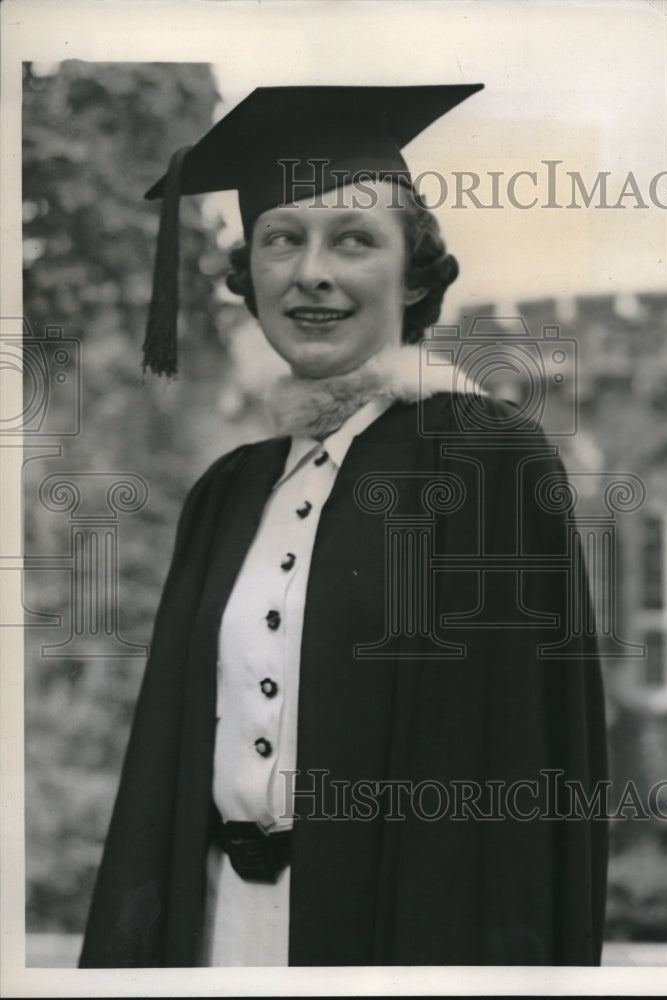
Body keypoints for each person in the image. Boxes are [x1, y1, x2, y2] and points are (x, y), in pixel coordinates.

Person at [79, 84, 608, 968]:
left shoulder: (487, 463)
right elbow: (162, 774)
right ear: (251, 280)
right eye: (281, 239)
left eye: (353, 240)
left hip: (394, 940)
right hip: (215, 935)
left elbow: (529, 769)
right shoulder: (227, 493)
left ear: (414, 277)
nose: (311, 271)